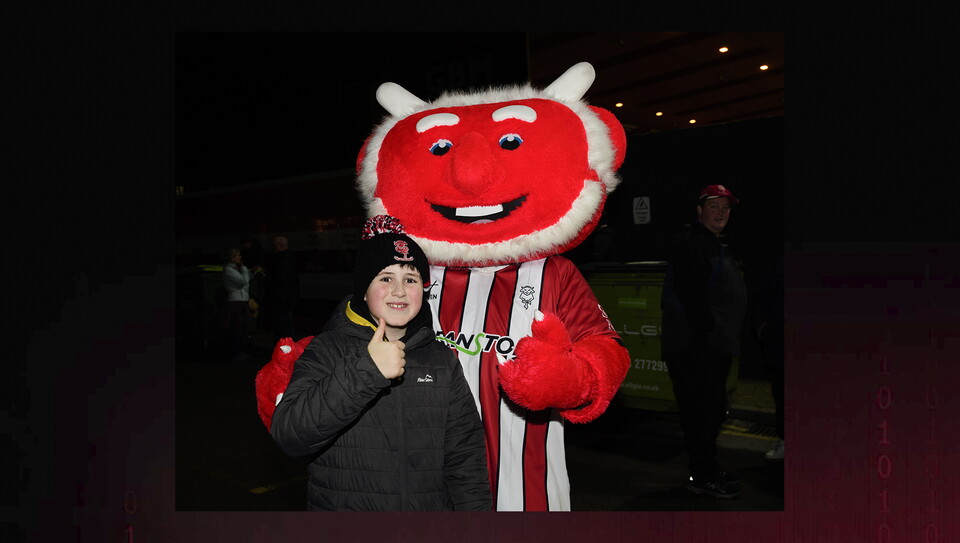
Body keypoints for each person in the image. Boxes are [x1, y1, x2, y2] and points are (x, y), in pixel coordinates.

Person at [269, 216, 491, 511]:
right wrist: (366, 371)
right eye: (386, 278)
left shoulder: (440, 359)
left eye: (410, 279)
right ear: (364, 289)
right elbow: (290, 435)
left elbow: (465, 459)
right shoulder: (327, 347)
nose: (399, 291)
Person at [660, 184, 748, 499]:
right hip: (696, 347)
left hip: (712, 344)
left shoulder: (714, 243)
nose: (721, 213)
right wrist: (708, 332)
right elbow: (691, 295)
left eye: (726, 208)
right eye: (714, 206)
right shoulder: (690, 242)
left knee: (711, 412)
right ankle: (702, 476)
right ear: (699, 211)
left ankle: (707, 467)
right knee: (701, 412)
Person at [752, 256, 784, 460]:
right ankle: (785, 441)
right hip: (782, 342)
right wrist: (764, 330)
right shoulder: (780, 265)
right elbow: (762, 298)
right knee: (783, 393)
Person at [265, 235, 299, 341]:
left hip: (281, 297)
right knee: (287, 323)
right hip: (289, 296)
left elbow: (279, 278)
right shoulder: (291, 257)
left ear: (278, 246)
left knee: (282, 324)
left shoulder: (279, 259)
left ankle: (284, 347)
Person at [220, 247, 251, 359]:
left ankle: (239, 350)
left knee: (241, 328)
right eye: (237, 255)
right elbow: (244, 281)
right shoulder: (229, 270)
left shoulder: (236, 270)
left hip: (241, 300)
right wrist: (244, 269)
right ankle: (235, 352)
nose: (240, 257)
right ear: (232, 258)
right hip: (235, 301)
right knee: (236, 328)